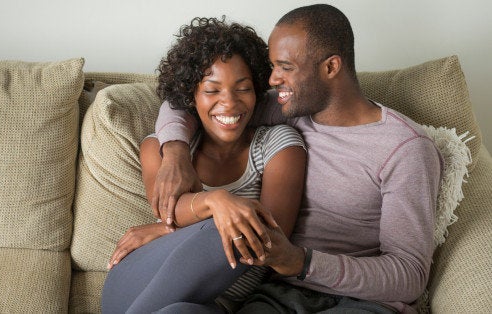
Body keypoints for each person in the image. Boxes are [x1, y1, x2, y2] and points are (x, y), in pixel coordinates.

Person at [153, 4, 442, 313]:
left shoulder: (405, 149)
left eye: (285, 67)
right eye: (272, 66)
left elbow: (410, 276)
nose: (273, 79)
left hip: (363, 303)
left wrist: (301, 262)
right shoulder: (288, 110)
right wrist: (175, 154)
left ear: (330, 67)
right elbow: (182, 102)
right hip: (275, 297)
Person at [101, 17, 307, 313]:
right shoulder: (158, 148)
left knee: (241, 226)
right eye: (212, 90)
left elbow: (271, 239)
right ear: (190, 96)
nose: (230, 103)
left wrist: (166, 229)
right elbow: (169, 211)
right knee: (229, 221)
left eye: (243, 88)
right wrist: (216, 201)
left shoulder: (279, 145)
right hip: (137, 280)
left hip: (217, 304)